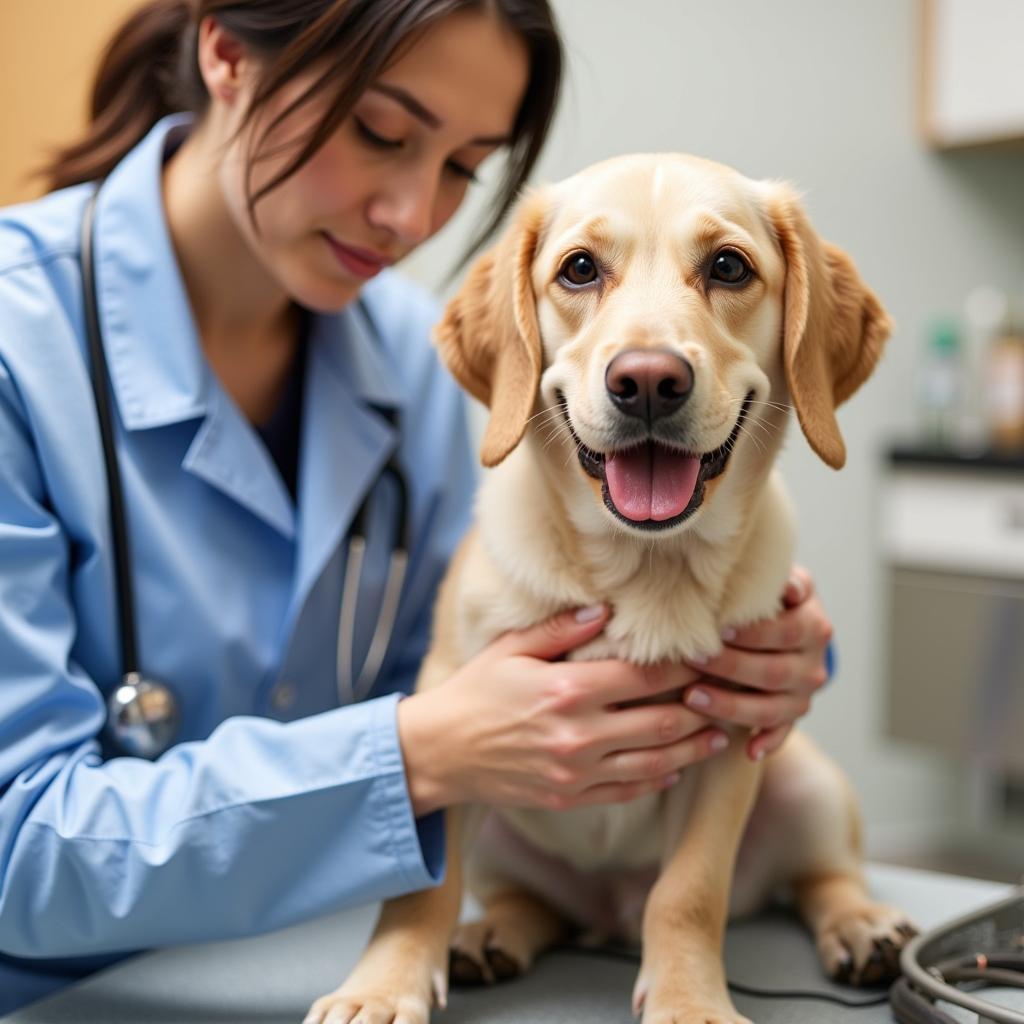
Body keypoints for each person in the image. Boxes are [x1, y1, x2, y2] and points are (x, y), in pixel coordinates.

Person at [0, 0, 834, 1013]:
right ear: (224, 51)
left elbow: (552, 632)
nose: (409, 215)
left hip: (317, 952)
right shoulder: (21, 345)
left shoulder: (411, 360)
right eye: (379, 132)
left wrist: (779, 660)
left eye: (460, 166)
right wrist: (420, 753)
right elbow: (14, 851)